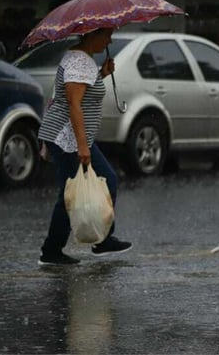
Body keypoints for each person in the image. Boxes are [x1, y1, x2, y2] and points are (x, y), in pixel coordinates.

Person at [37, 27, 132, 266]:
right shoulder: (79, 61)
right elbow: (74, 104)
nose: (110, 39)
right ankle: (52, 251)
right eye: (107, 34)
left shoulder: (83, 60)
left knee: (100, 183)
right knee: (71, 194)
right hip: (67, 138)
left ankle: (101, 240)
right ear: (93, 35)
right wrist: (82, 147)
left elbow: (81, 92)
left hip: (75, 138)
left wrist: (101, 73)